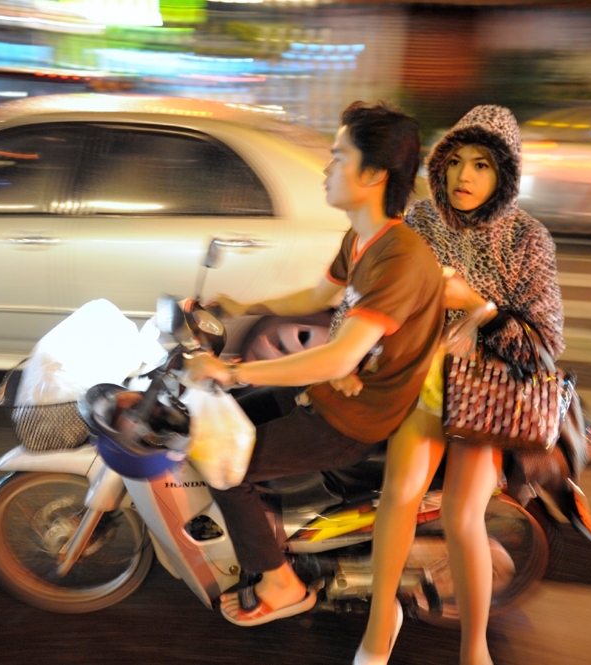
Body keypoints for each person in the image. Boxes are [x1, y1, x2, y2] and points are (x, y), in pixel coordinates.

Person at [186, 101, 445, 627]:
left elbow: (339, 355)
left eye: (337, 157)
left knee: (224, 463)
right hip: (329, 390)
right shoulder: (362, 239)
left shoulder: (399, 257)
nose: (327, 169)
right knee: (218, 417)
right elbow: (318, 295)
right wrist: (240, 308)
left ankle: (282, 585)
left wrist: (233, 370)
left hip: (352, 418)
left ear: (373, 174)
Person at [347, 105, 565, 665]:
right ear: (440, 165)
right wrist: (346, 355)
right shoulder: (420, 222)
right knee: (397, 496)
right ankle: (377, 630)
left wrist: (480, 307)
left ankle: (475, 651)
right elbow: (368, 294)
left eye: (483, 165)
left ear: (505, 175)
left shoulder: (528, 240)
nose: (464, 177)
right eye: (457, 162)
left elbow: (544, 345)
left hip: (490, 393)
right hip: (424, 380)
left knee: (463, 515)